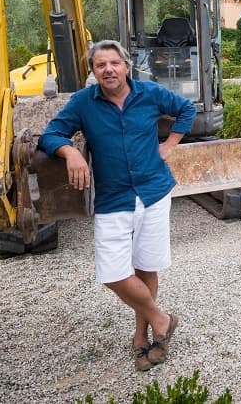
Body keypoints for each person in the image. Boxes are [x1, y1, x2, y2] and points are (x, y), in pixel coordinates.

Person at [38, 39, 197, 371]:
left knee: (145, 266)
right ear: (93, 72)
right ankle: (162, 319)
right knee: (112, 272)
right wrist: (70, 153)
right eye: (100, 65)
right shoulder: (84, 102)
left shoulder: (150, 93)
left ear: (126, 66)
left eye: (114, 63)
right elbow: (50, 135)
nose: (108, 69)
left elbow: (186, 108)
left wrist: (169, 144)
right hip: (113, 199)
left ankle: (142, 336)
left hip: (154, 192)